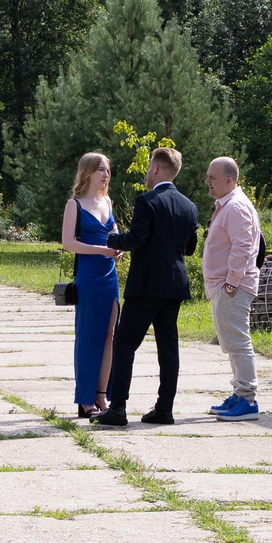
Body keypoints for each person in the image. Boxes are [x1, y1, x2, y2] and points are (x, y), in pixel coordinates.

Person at [97, 147, 199, 427]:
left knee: (125, 343)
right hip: (174, 285)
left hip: (146, 286)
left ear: (155, 168)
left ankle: (117, 408)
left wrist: (113, 239)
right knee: (168, 348)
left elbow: (137, 240)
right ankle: (164, 409)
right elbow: (190, 248)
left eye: (147, 168)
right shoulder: (189, 206)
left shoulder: (147, 201)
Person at [59, 151, 121, 419]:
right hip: (89, 276)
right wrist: (102, 250)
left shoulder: (107, 200)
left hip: (110, 275)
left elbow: (114, 231)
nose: (105, 174)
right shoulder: (74, 204)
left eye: (107, 170)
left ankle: (102, 395)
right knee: (87, 338)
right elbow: (68, 243)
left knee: (109, 336)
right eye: (100, 170)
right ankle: (85, 399)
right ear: (87, 172)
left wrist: (118, 245)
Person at [200, 157, 262, 421]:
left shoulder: (236, 207)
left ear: (229, 180)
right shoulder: (228, 205)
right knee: (231, 343)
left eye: (212, 178)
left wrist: (231, 282)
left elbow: (243, 247)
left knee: (237, 342)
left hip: (232, 287)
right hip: (225, 286)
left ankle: (247, 399)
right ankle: (239, 394)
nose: (207, 182)